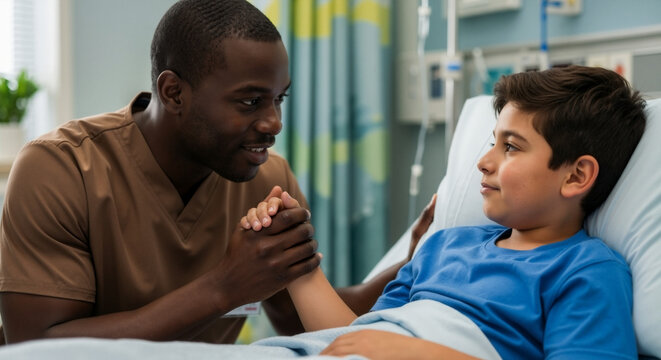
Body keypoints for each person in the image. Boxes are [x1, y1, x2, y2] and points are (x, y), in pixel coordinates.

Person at [0, 0, 425, 345]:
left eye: (279, 99)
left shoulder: (268, 180)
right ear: (173, 93)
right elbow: (36, 345)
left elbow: (302, 321)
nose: (274, 123)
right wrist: (225, 287)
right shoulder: (60, 169)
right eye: (250, 101)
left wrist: (413, 262)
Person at [243, 65, 647, 359]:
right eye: (492, 142)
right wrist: (295, 258)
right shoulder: (444, 245)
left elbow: (386, 348)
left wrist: (417, 353)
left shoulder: (586, 270)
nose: (483, 162)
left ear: (577, 176)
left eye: (511, 146)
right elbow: (355, 338)